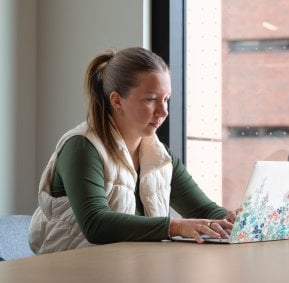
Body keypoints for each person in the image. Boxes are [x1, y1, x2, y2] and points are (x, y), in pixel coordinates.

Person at [29, 47, 236, 254]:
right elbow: (96, 225)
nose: (164, 111)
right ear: (117, 100)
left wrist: (236, 219)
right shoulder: (81, 147)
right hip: (69, 271)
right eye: (151, 99)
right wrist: (177, 226)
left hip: (126, 269)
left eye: (166, 99)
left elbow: (203, 210)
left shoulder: (160, 157)